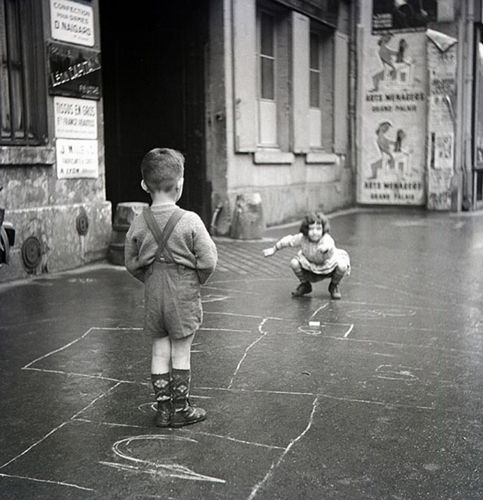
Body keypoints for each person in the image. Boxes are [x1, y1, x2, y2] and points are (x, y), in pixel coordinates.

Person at [125, 148, 218, 428]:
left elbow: (130, 262)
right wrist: (195, 278)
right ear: (179, 185)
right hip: (183, 294)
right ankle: (182, 408)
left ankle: (163, 410)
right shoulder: (190, 220)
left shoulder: (139, 222)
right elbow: (209, 259)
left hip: (154, 293)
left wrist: (149, 276)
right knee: (181, 351)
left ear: (144, 185)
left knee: (159, 351)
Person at [263, 212, 350, 299]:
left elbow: (330, 245)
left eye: (318, 229)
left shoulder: (326, 239)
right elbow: (288, 241)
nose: (315, 232)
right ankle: (305, 285)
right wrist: (274, 249)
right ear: (306, 229)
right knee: (294, 263)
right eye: (311, 229)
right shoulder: (303, 238)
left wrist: (325, 248)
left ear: (323, 229)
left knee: (342, 266)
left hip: (328, 264)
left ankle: (334, 286)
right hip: (309, 264)